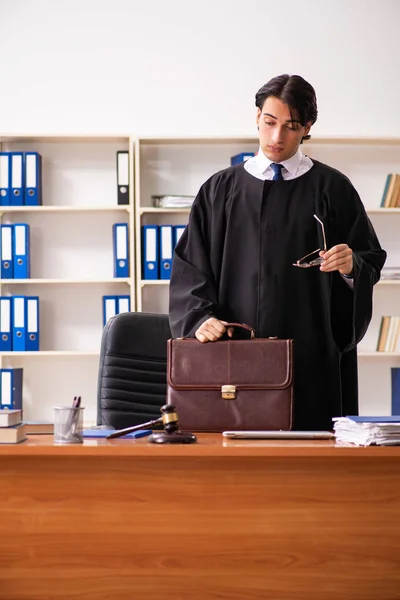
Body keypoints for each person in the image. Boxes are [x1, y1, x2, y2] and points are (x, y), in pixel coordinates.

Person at [169, 74, 386, 430]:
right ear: (257, 116)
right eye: (269, 122)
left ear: (307, 127)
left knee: (310, 466)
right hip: (233, 356)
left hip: (312, 356)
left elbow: (369, 258)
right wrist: (198, 319)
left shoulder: (333, 188)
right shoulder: (219, 191)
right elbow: (190, 267)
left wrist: (351, 266)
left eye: (290, 126)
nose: (276, 137)